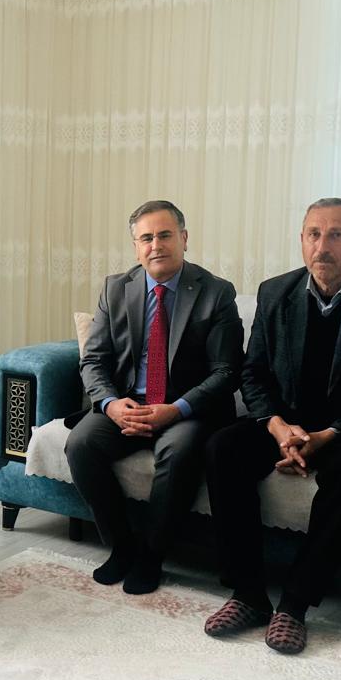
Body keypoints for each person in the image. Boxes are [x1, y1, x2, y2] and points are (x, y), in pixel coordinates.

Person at [202, 199, 341, 654]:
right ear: (302, 240)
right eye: (314, 234)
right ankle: (248, 594)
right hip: (286, 424)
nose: (323, 246)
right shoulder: (274, 292)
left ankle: (294, 605)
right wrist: (279, 428)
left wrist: (327, 435)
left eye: (337, 234)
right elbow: (253, 373)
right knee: (223, 447)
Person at [64, 200, 243, 595]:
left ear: (184, 238)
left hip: (186, 409)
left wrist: (176, 409)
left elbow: (226, 371)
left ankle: (151, 556)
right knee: (80, 443)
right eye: (146, 238)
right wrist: (111, 404)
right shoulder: (115, 288)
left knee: (177, 453)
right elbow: (93, 360)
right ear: (136, 247)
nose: (156, 245)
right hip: (128, 402)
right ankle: (121, 546)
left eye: (165, 235)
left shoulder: (215, 292)